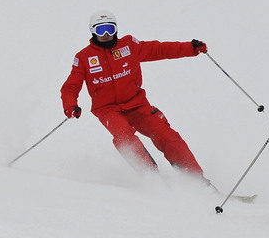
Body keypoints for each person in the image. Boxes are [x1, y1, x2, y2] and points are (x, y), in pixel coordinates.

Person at [60, 11, 210, 180]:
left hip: (137, 104)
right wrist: (70, 105)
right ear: (93, 31)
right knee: (124, 136)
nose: (106, 34)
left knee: (166, 134)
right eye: (101, 30)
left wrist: (190, 48)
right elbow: (71, 86)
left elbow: (160, 49)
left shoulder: (129, 46)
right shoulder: (84, 58)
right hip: (108, 110)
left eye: (110, 29)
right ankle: (152, 179)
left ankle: (197, 180)